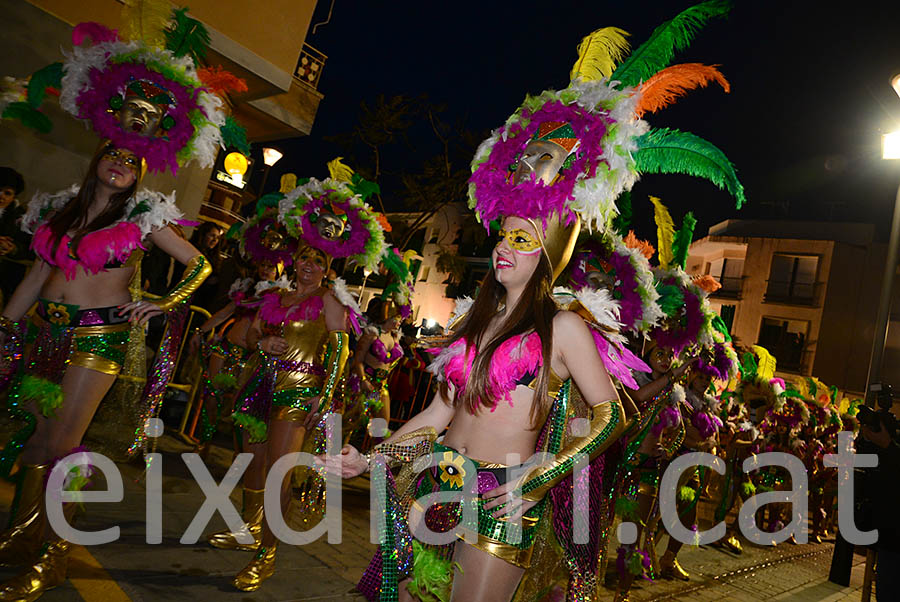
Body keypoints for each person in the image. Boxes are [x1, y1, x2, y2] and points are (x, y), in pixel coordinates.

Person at [0, 143, 211, 601]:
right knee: (37, 439)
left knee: (62, 446)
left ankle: (51, 560)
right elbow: (36, 276)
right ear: (96, 159)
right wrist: (4, 330)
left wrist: (166, 302)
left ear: (140, 175)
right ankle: (24, 536)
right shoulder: (61, 210)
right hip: (45, 335)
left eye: (133, 162)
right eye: (114, 154)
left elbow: (199, 263)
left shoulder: (143, 216)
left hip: (97, 340)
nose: (122, 164)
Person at [206, 164, 386, 593]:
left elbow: (340, 352)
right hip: (260, 385)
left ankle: (266, 554)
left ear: (327, 268)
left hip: (301, 390)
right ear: (295, 260)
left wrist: (324, 403)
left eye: (317, 261)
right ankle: (249, 528)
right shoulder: (276, 296)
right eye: (304, 258)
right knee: (252, 463)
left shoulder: (330, 300)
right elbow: (249, 336)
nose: (308, 266)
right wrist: (261, 345)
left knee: (279, 473)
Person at [0, 166, 30, 308]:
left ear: (13, 197)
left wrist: (12, 249)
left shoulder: (20, 219)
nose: (2, 196)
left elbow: (29, 250)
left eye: (7, 193)